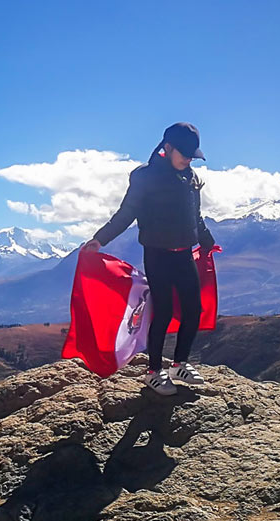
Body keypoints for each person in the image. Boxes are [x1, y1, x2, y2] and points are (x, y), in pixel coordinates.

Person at [82, 122, 215, 393]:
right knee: (163, 311)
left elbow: (195, 218)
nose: (189, 159)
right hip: (158, 255)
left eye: (192, 154)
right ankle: (154, 371)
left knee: (192, 310)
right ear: (168, 147)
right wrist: (101, 238)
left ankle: (179, 363)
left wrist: (207, 241)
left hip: (184, 254)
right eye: (184, 153)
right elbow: (126, 213)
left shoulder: (190, 179)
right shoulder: (146, 178)